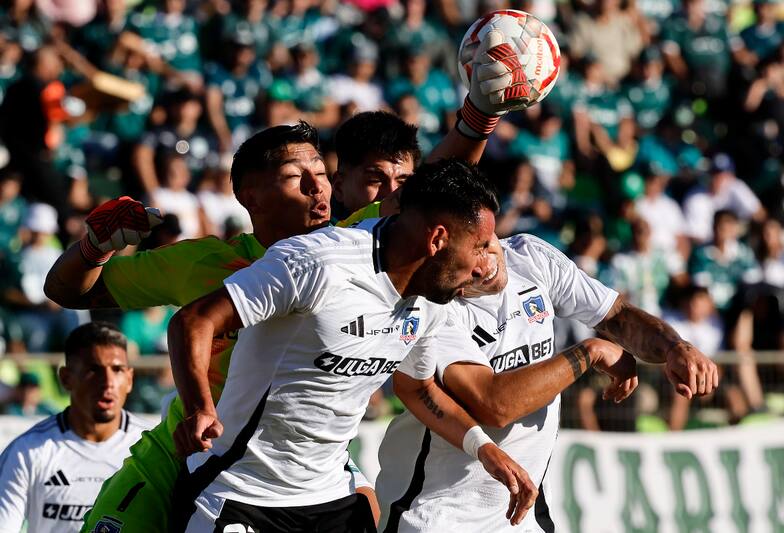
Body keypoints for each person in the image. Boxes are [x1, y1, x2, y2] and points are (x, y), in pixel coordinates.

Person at [169, 159, 536, 532]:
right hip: (239, 490)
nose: (482, 266)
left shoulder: (432, 299)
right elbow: (194, 320)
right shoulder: (319, 263)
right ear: (437, 239)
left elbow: (418, 387)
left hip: (330, 496)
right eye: (478, 247)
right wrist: (198, 408)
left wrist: (484, 449)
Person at [377, 228, 719, 532]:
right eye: (472, 253)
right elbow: (494, 404)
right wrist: (589, 353)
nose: (487, 261)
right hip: (436, 514)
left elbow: (615, 314)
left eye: (486, 242)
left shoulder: (530, 256)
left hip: (523, 514)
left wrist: (676, 347)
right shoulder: (427, 305)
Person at [0, 322, 148, 533]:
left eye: (117, 370)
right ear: (66, 378)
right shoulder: (26, 452)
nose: (108, 383)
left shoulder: (151, 447)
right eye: (93, 370)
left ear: (130, 379)